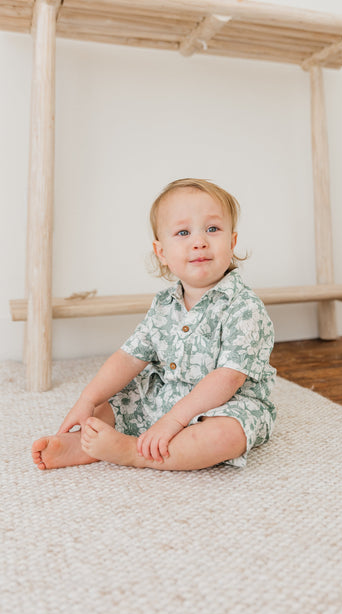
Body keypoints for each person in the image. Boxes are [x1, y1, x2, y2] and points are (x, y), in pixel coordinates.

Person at [32, 178, 277, 471]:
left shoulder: (244, 306)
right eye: (183, 232)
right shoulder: (164, 303)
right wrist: (89, 398)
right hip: (166, 394)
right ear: (161, 252)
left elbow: (228, 379)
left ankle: (132, 452)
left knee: (224, 436)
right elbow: (128, 357)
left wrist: (174, 420)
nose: (199, 241)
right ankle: (82, 443)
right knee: (107, 406)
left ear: (232, 242)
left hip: (225, 404)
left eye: (212, 229)